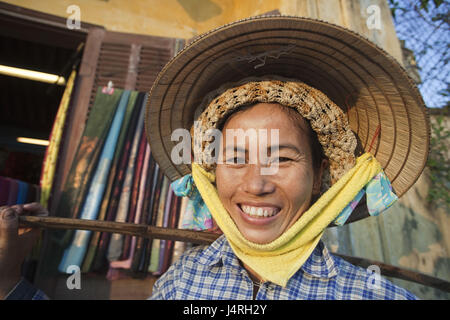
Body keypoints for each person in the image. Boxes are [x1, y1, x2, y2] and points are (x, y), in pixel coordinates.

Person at [0, 15, 429, 300]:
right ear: (210, 173)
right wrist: (8, 279)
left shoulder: (372, 295)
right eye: (236, 158)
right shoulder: (181, 285)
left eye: (281, 159)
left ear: (321, 176)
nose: (255, 184)